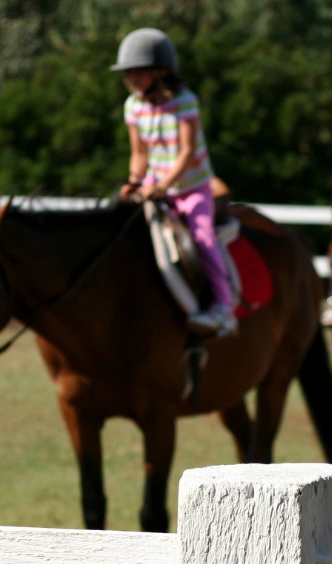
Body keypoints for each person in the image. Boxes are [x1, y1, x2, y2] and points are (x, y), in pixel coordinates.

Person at [113, 29, 236, 338]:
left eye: (138, 72)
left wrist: (163, 185)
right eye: (129, 73)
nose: (132, 79)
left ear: (161, 71)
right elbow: (139, 153)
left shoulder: (185, 102)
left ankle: (224, 307)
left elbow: (186, 152)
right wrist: (134, 182)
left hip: (192, 188)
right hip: (157, 187)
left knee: (204, 237)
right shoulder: (133, 106)